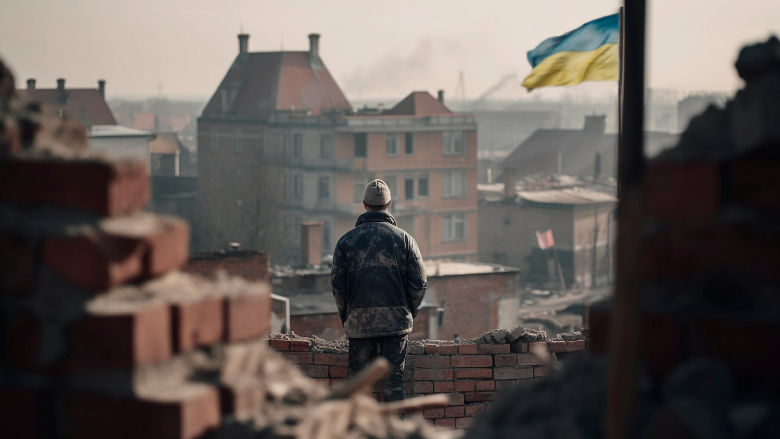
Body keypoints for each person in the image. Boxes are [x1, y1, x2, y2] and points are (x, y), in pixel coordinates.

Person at [331, 179, 427, 401]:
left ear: (364, 204)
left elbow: (337, 286)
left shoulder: (346, 242)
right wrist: (408, 311)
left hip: (359, 325)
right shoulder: (405, 239)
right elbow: (420, 283)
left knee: (357, 388)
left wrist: (348, 315)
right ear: (389, 204)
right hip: (396, 324)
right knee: (394, 386)